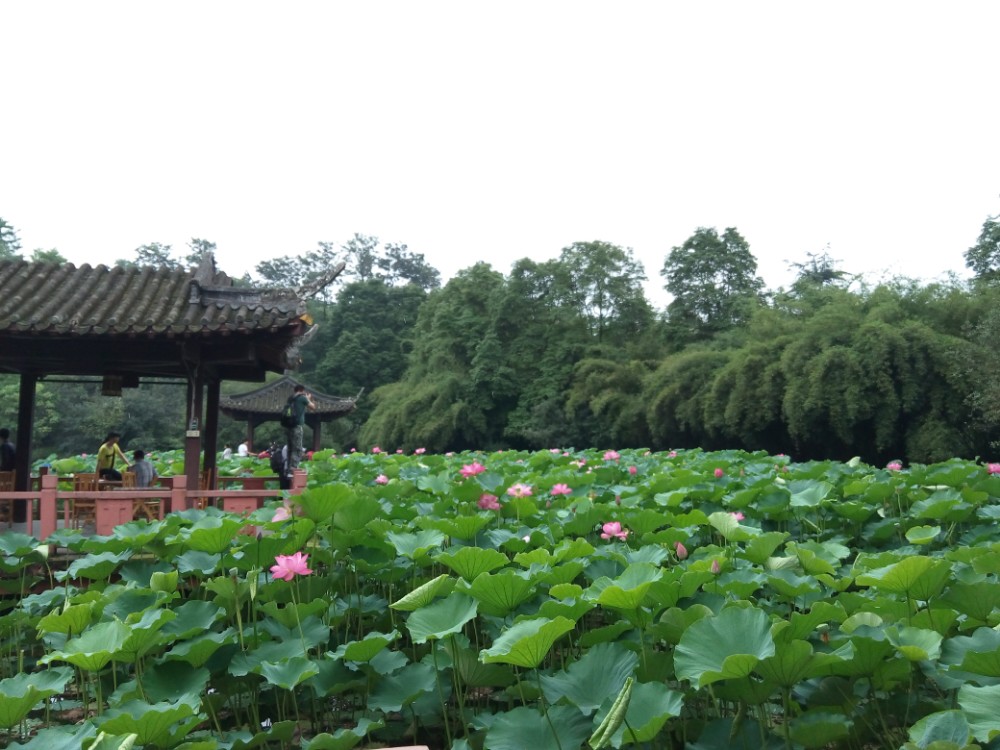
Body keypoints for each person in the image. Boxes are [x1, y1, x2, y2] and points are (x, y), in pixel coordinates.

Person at [284, 384, 316, 475]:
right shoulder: (302, 397)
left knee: (290, 448)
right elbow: (313, 407)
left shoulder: (290, 398)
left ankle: (288, 469)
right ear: (302, 390)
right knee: (297, 448)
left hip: (288, 426)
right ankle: (293, 469)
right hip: (297, 426)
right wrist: (308, 398)